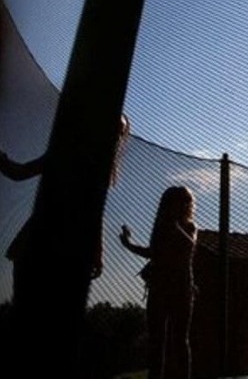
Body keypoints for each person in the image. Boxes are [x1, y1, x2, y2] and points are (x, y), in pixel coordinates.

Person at [1, 113, 130, 303]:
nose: (116, 137)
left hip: (66, 250)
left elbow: (95, 214)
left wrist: (98, 253)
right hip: (39, 242)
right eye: (112, 129)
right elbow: (19, 172)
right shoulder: (65, 154)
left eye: (120, 132)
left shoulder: (99, 170)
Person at [120, 185, 198, 379]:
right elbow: (153, 253)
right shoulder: (161, 228)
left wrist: (173, 225)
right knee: (157, 341)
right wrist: (128, 244)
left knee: (180, 340)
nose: (185, 205)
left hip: (182, 288)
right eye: (180, 201)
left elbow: (189, 246)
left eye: (186, 201)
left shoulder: (189, 227)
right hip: (159, 287)